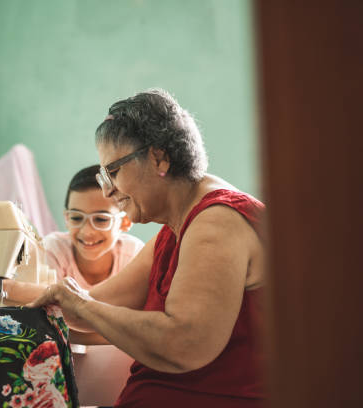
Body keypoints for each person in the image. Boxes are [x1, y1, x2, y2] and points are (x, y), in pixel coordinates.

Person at [27, 88, 266, 407]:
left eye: (113, 172)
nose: (109, 192)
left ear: (159, 158)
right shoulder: (175, 229)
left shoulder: (216, 222)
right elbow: (86, 308)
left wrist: (82, 307)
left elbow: (185, 343)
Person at [0, 165, 144, 306]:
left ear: (125, 221)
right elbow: (47, 297)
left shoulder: (135, 255)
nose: (87, 231)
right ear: (65, 218)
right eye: (76, 218)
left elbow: (76, 301)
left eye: (101, 219)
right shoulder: (54, 248)